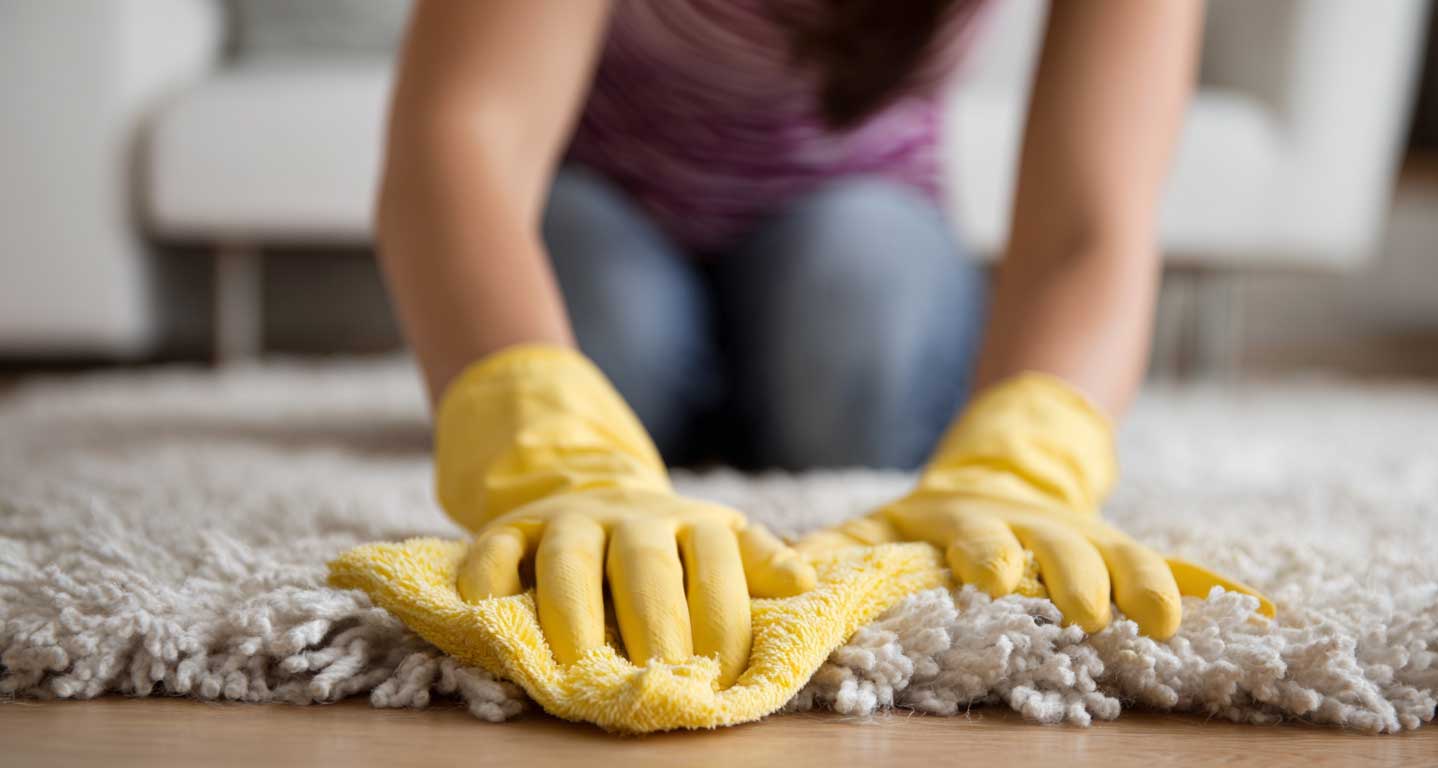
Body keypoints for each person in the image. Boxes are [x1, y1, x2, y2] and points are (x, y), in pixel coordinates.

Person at [377, 1, 1264, 687]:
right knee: (615, 346)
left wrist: (1026, 459)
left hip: (855, 196)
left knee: (859, 373)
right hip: (605, 195)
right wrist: (545, 437)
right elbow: (459, 138)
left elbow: (1092, 223)